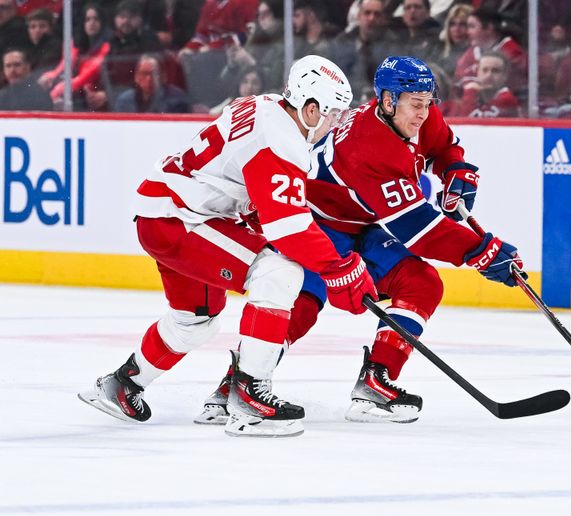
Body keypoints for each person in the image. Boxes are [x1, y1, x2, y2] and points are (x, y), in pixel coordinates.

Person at [196, 56, 525, 425]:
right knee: (303, 304)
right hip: (320, 224)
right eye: (416, 103)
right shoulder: (367, 146)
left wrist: (455, 169)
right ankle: (236, 385)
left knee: (421, 283)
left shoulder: (419, 113)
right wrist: (480, 251)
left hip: (367, 223)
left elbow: (444, 146)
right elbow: (417, 228)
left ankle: (375, 381)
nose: (423, 112)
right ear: (388, 100)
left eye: (429, 101)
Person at [79, 55, 378, 439]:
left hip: (172, 211)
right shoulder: (281, 138)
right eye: (333, 113)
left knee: (195, 320)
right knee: (279, 271)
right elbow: (289, 228)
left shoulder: (267, 107)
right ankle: (249, 400)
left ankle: (120, 385)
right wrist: (341, 269)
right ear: (310, 108)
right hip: (179, 219)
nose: (334, 124)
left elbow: (251, 195)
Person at [113, 53, 190, 113]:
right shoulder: (125, 101)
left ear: (163, 76)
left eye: (154, 74)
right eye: (144, 73)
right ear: (136, 76)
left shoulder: (177, 100)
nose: (149, 79)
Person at [453, 51, 520, 117]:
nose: (489, 75)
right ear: (477, 72)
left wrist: (470, 92)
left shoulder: (507, 98)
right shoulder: (477, 96)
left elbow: (470, 122)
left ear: (505, 75)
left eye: (495, 71)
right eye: (485, 70)